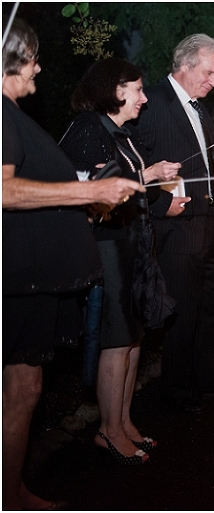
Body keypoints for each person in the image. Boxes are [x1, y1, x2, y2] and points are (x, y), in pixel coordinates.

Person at [3, 19, 143, 508]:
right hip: (17, 279)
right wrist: (90, 190)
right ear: (12, 57)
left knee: (24, 387)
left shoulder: (14, 113)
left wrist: (87, 201)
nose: (40, 65)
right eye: (34, 56)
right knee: (19, 390)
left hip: (31, 281)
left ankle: (13, 487)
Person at [60, 57, 182, 464]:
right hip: (108, 250)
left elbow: (127, 185)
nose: (144, 99)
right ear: (116, 89)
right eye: (138, 89)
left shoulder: (122, 133)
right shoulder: (89, 128)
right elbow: (81, 190)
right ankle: (108, 431)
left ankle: (124, 422)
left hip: (134, 247)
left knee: (133, 338)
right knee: (116, 341)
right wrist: (139, 180)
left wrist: (149, 177)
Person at [134, 34, 214, 413]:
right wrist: (159, 203)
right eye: (209, 73)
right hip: (175, 228)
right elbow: (131, 168)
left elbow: (209, 167)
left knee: (209, 308)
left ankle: (212, 380)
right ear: (184, 65)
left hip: (208, 224)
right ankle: (179, 391)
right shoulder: (150, 103)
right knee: (183, 312)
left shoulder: (200, 110)